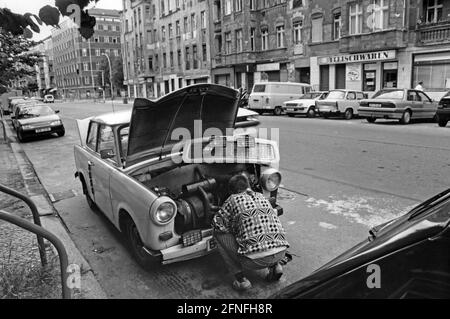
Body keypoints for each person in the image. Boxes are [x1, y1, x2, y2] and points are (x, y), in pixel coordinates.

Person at [212, 174, 290, 291]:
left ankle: (241, 280)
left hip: (255, 261)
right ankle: (276, 266)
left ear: (233, 191)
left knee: (217, 233)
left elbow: (217, 224)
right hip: (281, 252)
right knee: (265, 230)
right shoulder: (261, 196)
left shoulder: (233, 199)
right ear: (248, 186)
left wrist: (233, 230)